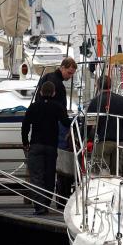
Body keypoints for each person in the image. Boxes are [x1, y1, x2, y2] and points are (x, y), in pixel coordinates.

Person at [22, 81, 71, 215]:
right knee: (49, 176)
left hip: (36, 145)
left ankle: (39, 206)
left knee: (36, 177)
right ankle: (47, 204)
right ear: (54, 93)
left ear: (41, 92)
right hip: (51, 146)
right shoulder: (58, 107)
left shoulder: (33, 107)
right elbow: (66, 122)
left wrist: (25, 142)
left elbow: (25, 125)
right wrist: (78, 120)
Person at [35, 57, 77, 201]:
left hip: (41, 129)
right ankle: (58, 197)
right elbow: (61, 111)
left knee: (41, 167)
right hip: (56, 127)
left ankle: (44, 198)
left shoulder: (47, 76)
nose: (70, 77)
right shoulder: (58, 84)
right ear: (63, 68)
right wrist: (69, 126)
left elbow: (38, 99)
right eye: (69, 73)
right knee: (58, 162)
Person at [87, 77, 123, 174]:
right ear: (111, 85)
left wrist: (87, 138)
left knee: (102, 173)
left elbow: (89, 124)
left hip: (103, 142)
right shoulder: (122, 100)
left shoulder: (95, 101)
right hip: (119, 142)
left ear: (98, 86)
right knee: (117, 172)